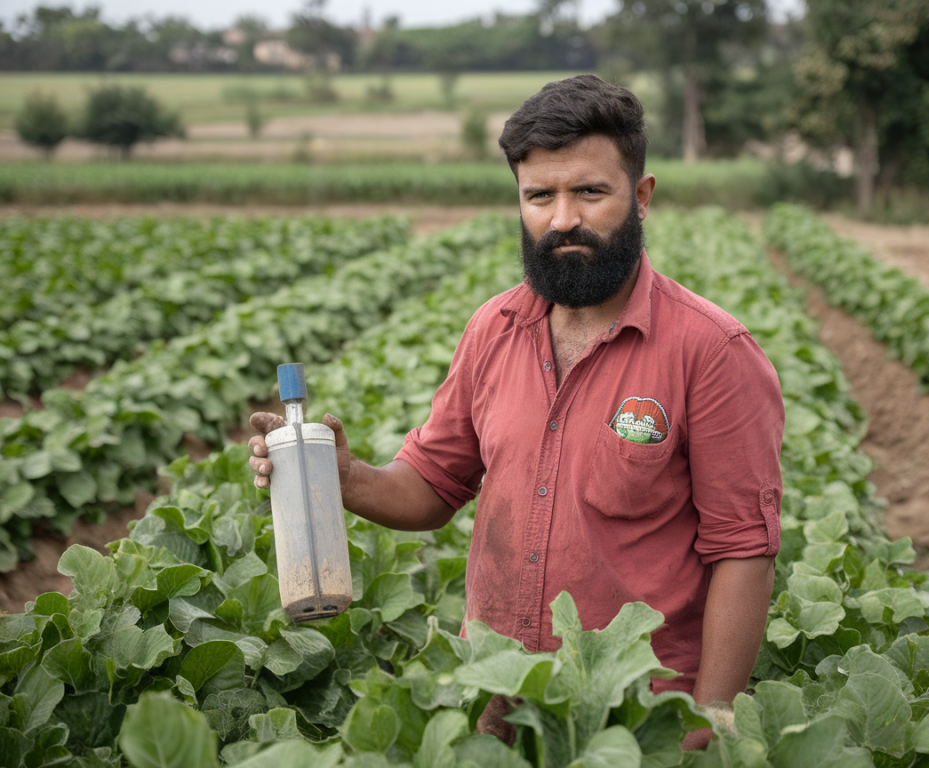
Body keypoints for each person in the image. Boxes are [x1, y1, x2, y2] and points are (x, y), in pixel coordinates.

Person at [248, 74, 784, 751]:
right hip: (496, 707)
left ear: (642, 197)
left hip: (637, 723)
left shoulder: (711, 351)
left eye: (590, 192)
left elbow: (743, 550)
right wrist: (344, 478)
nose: (563, 219)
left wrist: (710, 723)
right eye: (539, 196)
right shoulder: (492, 329)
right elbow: (433, 485)